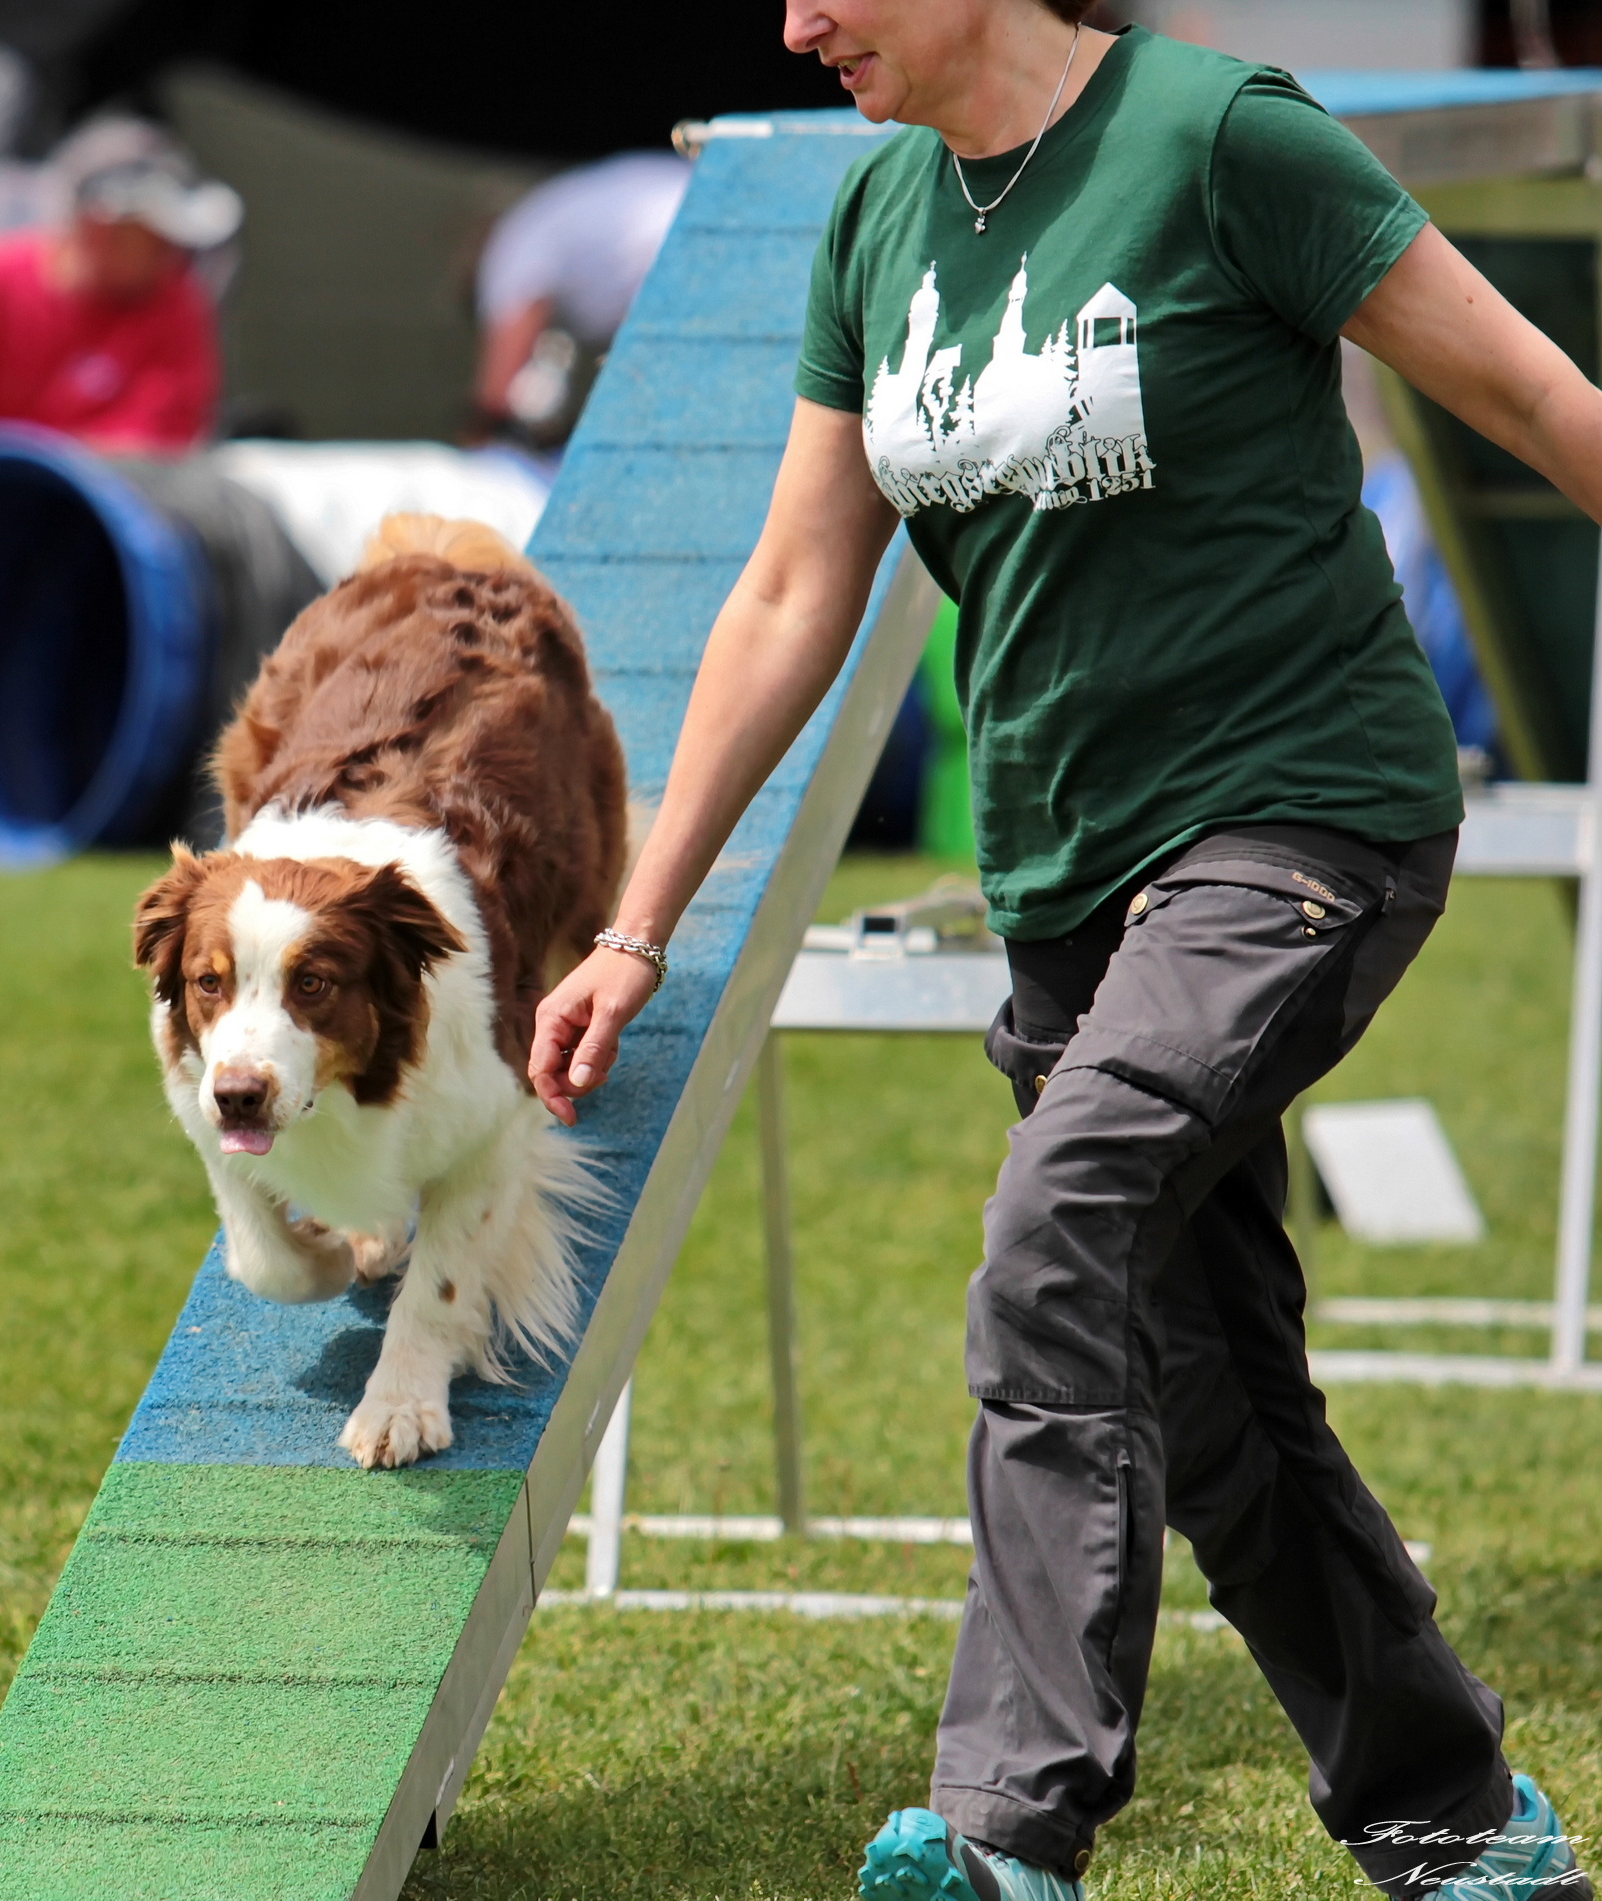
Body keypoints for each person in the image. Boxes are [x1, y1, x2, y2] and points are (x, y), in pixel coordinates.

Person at [528, 7, 1597, 1900]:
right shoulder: (876, 225)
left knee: (1060, 1222)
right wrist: (634, 920)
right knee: (1211, 1396)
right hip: (1061, 876)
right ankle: (1453, 1818)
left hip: (1299, 815)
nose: (792, 25)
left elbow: (1526, 397)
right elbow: (791, 589)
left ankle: (1011, 1822)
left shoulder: (1222, 141)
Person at [0, 118, 237, 479]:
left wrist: (49, 484)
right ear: (97, 227)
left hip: (84, 502)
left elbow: (158, 439)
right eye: (153, 234)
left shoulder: (175, 305)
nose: (170, 254)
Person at [470, 151, 692, 444]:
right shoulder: (545, 216)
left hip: (695, 245)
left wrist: (476, 440)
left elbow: (497, 393)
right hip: (720, 206)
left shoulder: (507, 254)